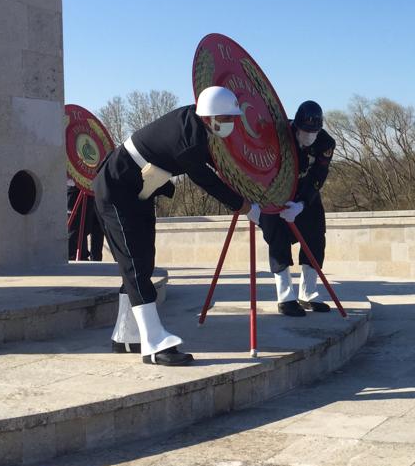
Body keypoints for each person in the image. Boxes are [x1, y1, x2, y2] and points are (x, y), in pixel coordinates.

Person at [93, 86, 259, 366]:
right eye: (227, 118)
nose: (232, 124)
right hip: (115, 189)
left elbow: (218, 165)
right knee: (134, 265)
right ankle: (154, 344)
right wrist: (245, 206)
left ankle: (125, 336)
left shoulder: (195, 124)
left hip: (139, 189)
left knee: (142, 263)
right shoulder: (189, 139)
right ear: (210, 117)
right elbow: (207, 179)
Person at [259, 101, 335, 316]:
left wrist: (302, 203)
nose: (309, 135)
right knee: (278, 242)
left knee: (315, 240)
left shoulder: (326, 142)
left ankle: (308, 293)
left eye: (314, 131)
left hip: (305, 197)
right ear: (296, 126)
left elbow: (319, 175)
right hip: (275, 194)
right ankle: (285, 297)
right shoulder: (279, 135)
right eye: (305, 130)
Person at [67, 179, 104, 261]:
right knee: (75, 228)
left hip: (94, 187)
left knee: (97, 226)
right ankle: (75, 257)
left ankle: (95, 260)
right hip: (75, 187)